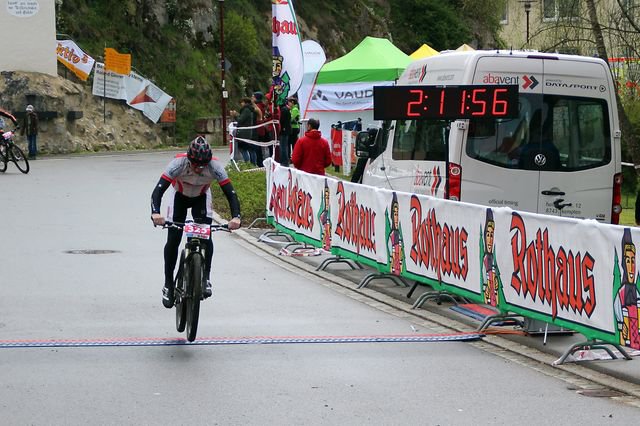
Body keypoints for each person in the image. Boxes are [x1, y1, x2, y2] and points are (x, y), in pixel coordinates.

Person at [150, 136, 242, 308]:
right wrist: (155, 213)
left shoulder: (214, 166)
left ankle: (205, 278)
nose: (199, 168)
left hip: (201, 197)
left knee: (206, 236)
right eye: (196, 165)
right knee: (173, 239)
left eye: (203, 165)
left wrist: (236, 217)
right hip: (179, 197)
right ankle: (168, 284)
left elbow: (231, 194)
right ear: (189, 159)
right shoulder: (178, 164)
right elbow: (158, 191)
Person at [236, 97, 257, 165]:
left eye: (242, 102)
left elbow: (240, 120)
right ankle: (253, 163)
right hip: (249, 132)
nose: (241, 104)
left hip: (244, 133)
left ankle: (247, 164)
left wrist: (235, 116)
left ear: (245, 103)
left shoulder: (246, 110)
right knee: (250, 149)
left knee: (243, 149)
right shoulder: (251, 110)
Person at [278, 97, 291, 166]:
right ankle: (285, 160)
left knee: (283, 146)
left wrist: (282, 128)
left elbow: (282, 120)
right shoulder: (286, 109)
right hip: (286, 129)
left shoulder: (283, 110)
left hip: (284, 130)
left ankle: (284, 161)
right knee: (285, 146)